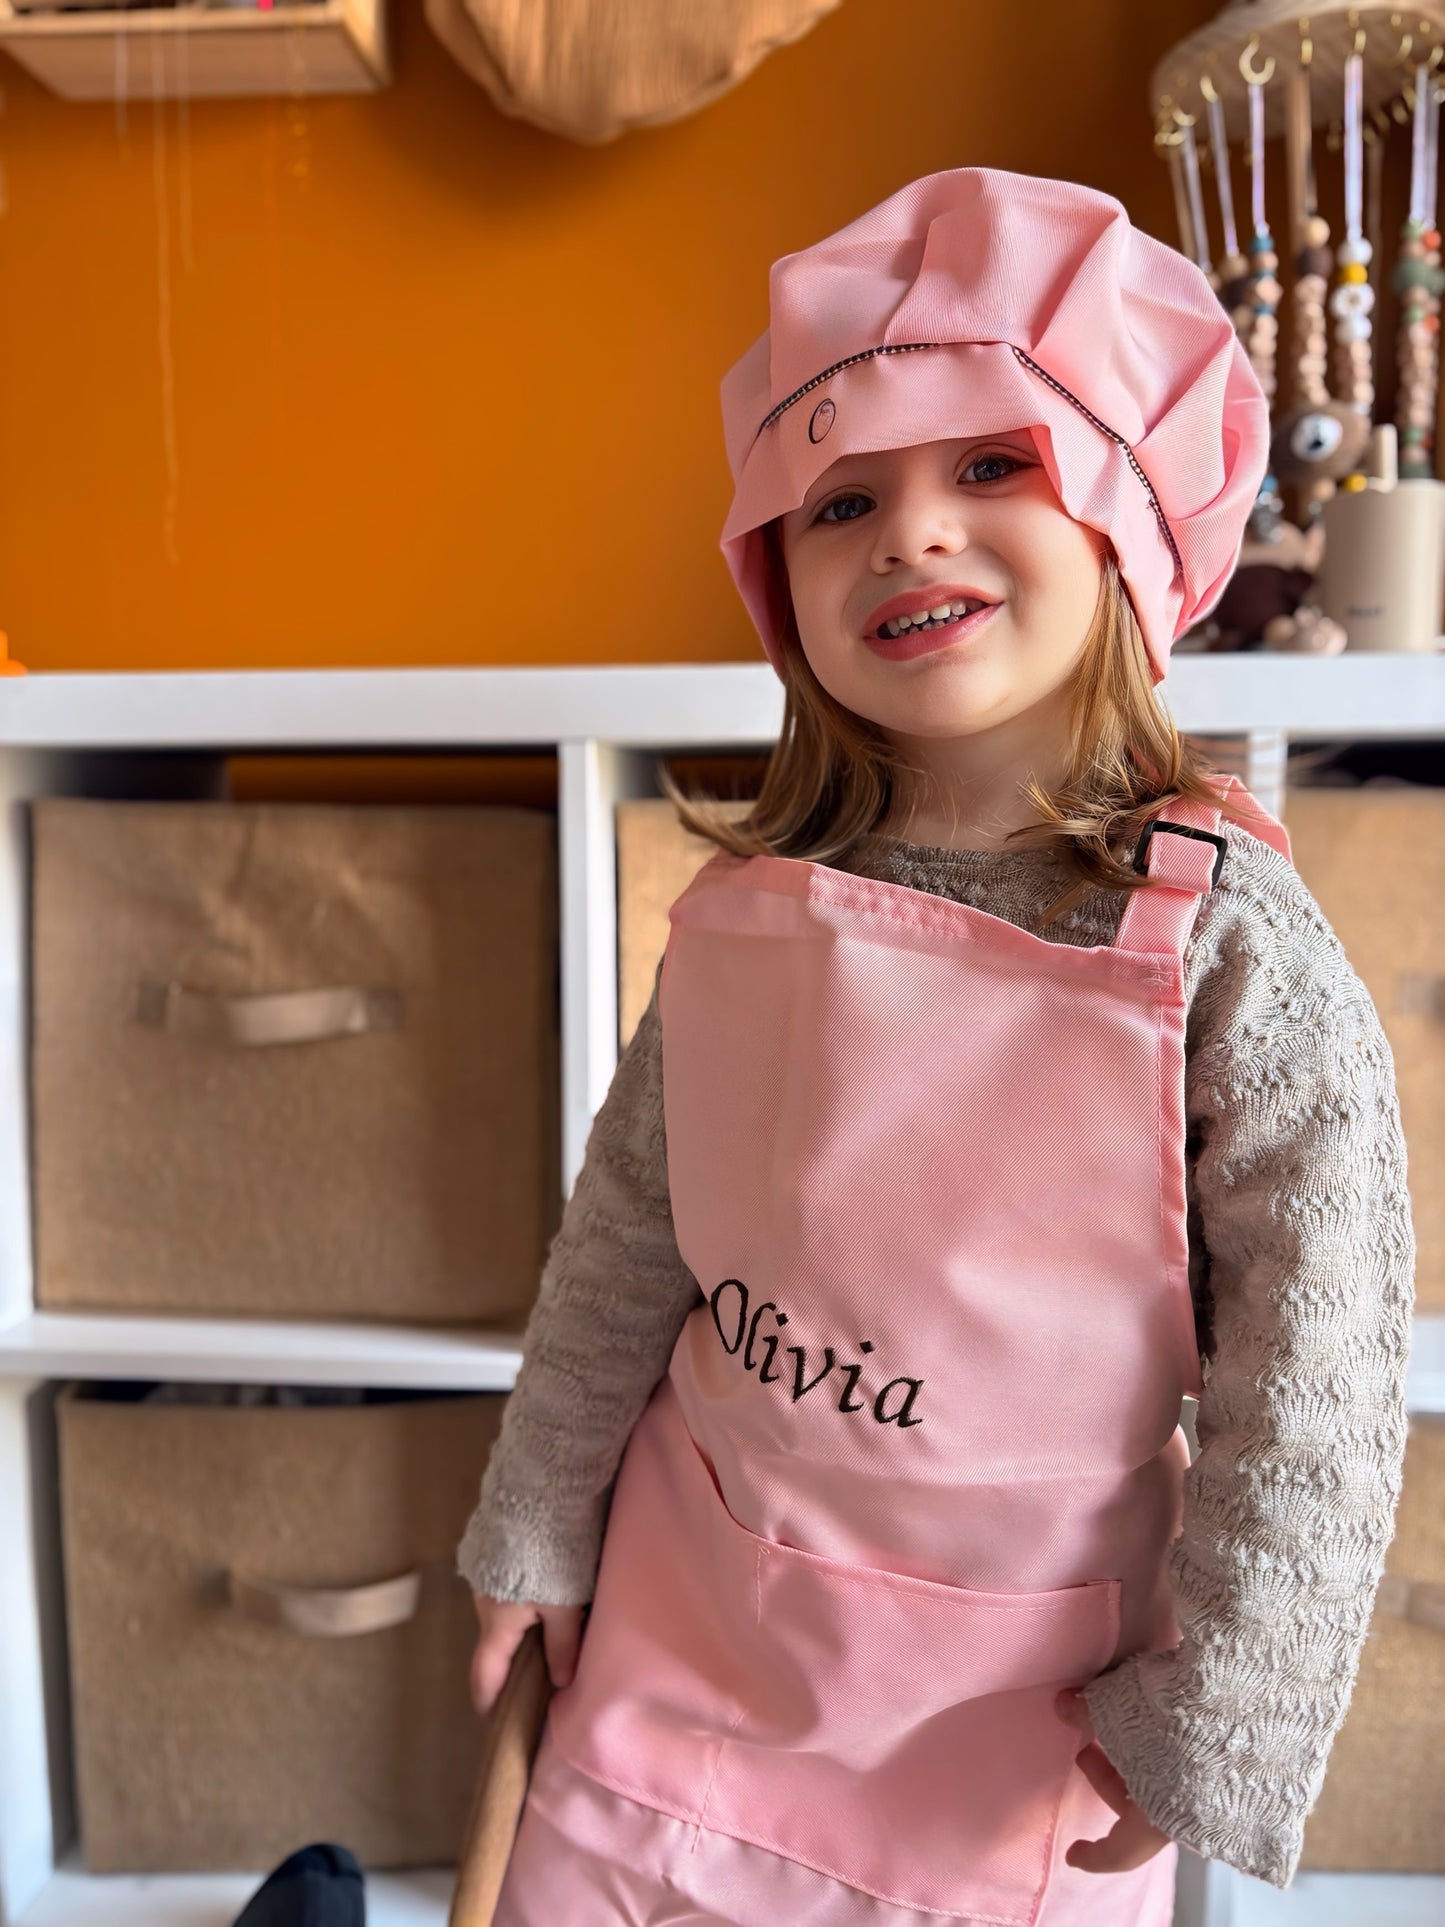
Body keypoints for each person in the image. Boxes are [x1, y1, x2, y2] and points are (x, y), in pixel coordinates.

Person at [456, 166, 1416, 1925]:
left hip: (1001, 1716)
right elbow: (630, 1234)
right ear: (779, 582)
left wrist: (1223, 1713)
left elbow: (1319, 1364)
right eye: (839, 501)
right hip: (683, 1627)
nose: (907, 533)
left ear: (1130, 520)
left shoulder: (1226, 942)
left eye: (989, 467)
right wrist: (539, 1512)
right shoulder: (754, 908)